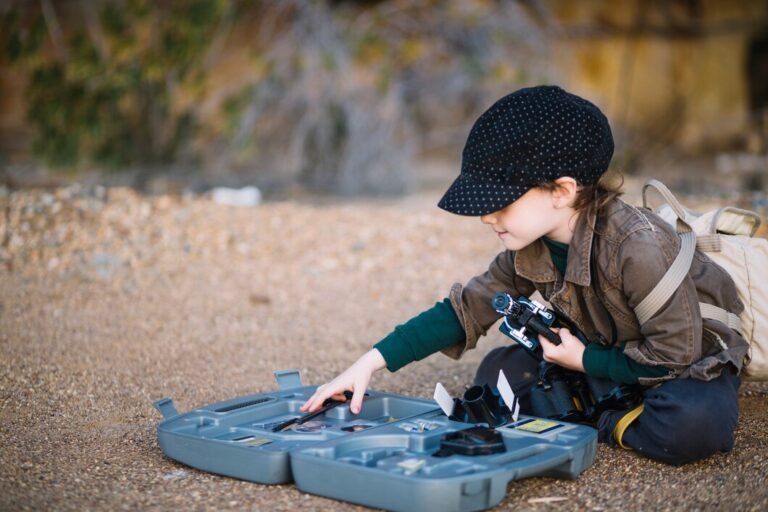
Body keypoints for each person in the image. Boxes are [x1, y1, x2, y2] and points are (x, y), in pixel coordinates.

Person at [300, 85, 748, 465]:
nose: (486, 217)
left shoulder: (639, 246)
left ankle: (600, 410)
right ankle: (604, 399)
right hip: (607, 347)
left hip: (685, 361)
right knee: (496, 374)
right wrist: (367, 364)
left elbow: (675, 352)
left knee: (692, 425)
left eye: (502, 201)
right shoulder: (527, 244)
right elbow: (465, 310)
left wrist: (584, 362)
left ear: (562, 191)